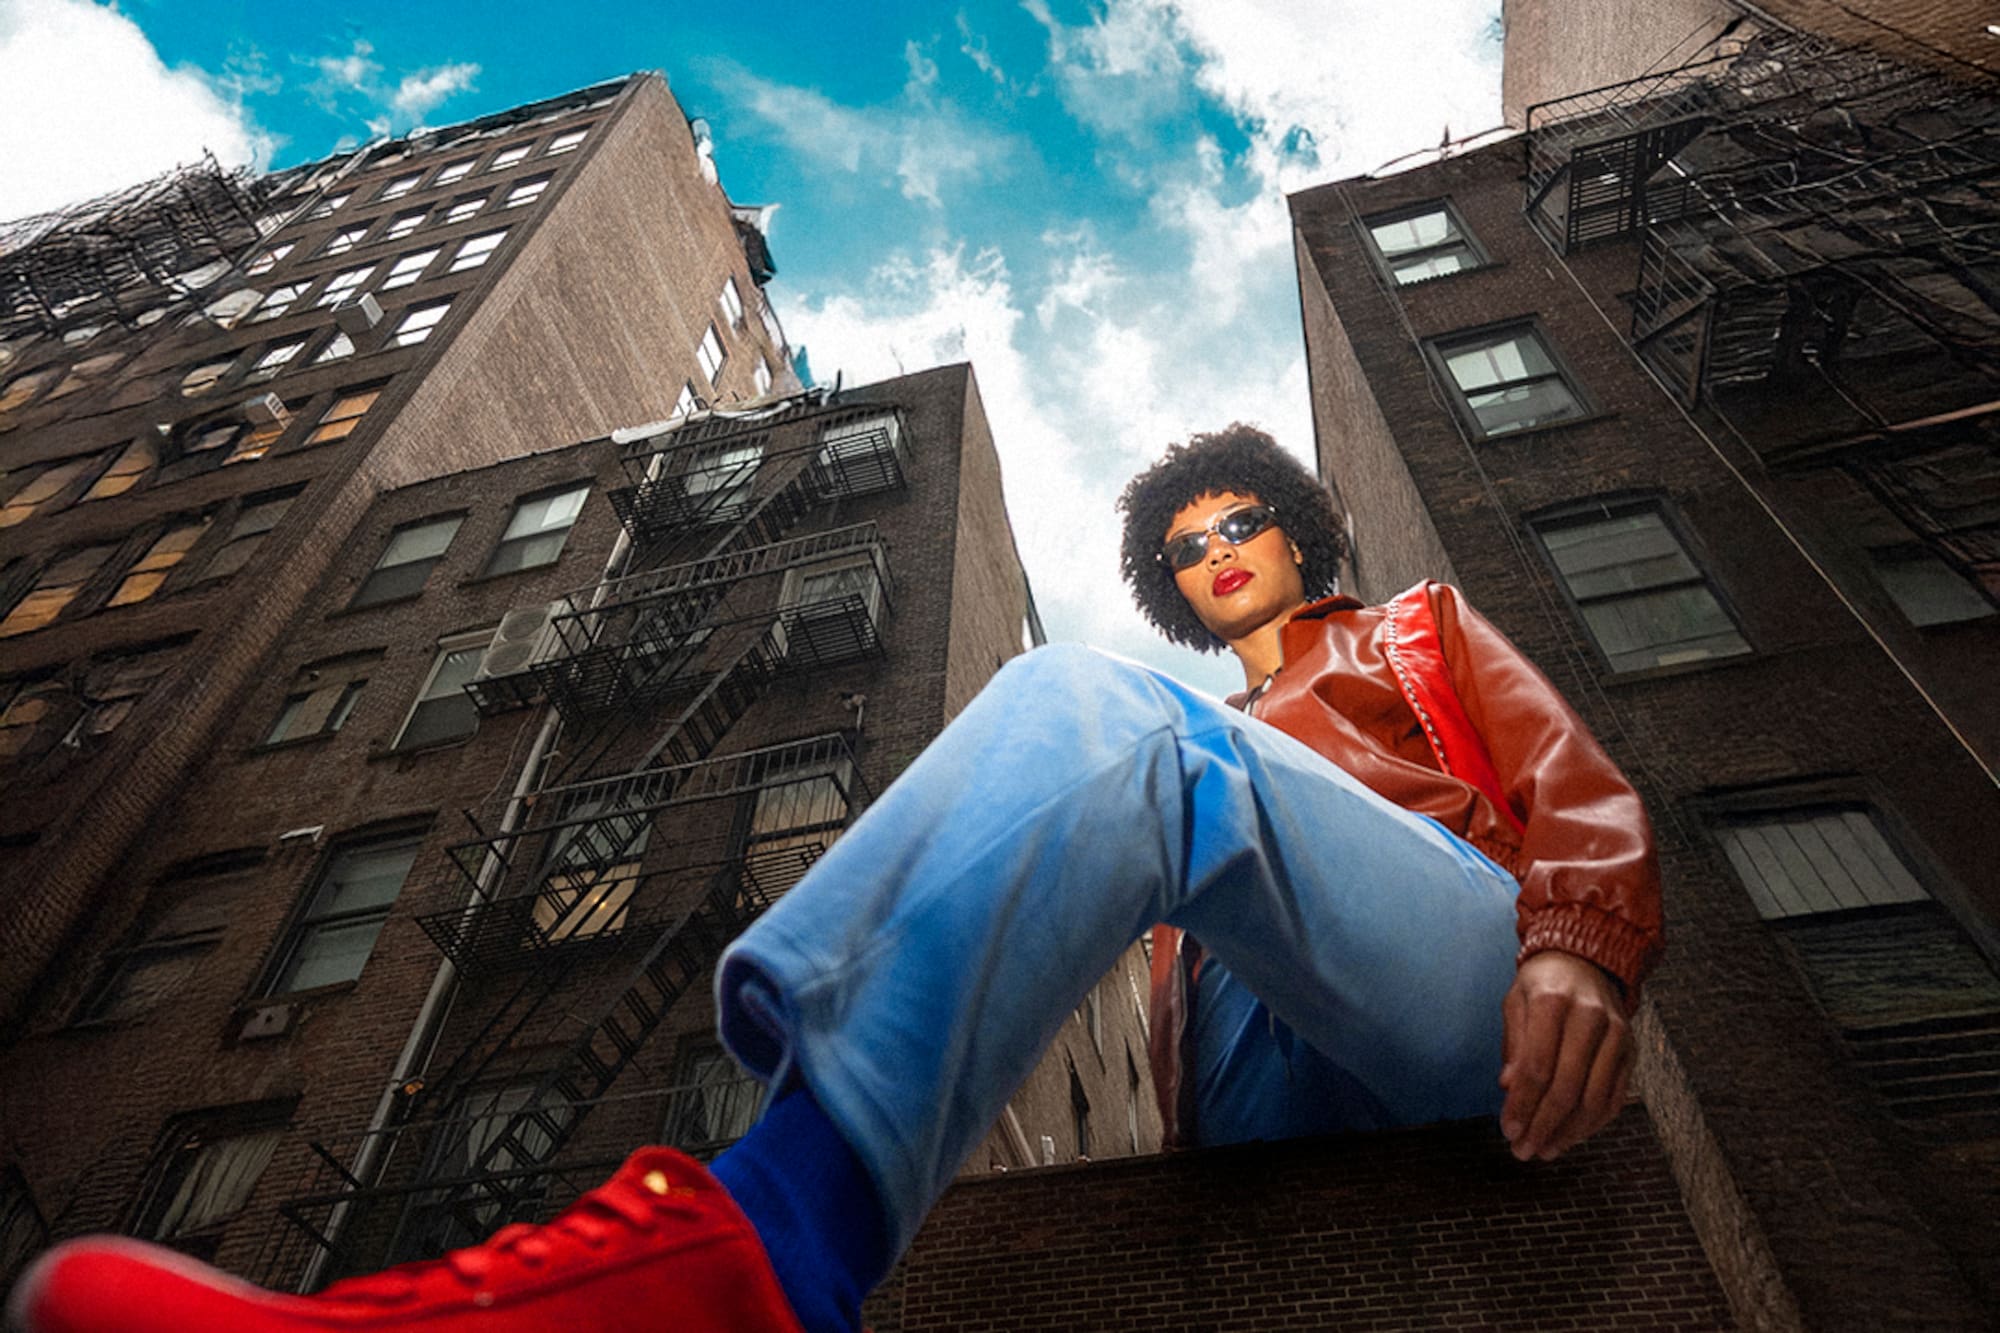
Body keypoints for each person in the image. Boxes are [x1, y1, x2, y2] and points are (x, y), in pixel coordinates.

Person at [10, 425, 1660, 1333]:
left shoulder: (1410, 633)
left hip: (1480, 1007)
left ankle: (752, 1245)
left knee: (1092, 714)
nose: (1217, 551)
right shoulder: (1198, 756)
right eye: (1186, 548)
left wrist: (1583, 935)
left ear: (1300, 532)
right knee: (1106, 732)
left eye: (1243, 524)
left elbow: (1572, 783)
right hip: (1280, 1098)